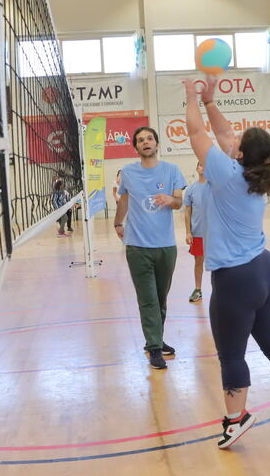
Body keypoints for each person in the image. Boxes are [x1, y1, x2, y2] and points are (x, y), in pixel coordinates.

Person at [183, 76, 270, 449]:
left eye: (238, 143)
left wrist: (191, 98)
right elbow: (225, 135)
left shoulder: (226, 175)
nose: (232, 140)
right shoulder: (251, 173)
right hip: (264, 268)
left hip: (236, 279)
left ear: (241, 154)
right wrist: (211, 101)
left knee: (231, 353)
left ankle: (236, 419)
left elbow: (197, 134)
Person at [112, 127, 186, 369]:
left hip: (165, 246)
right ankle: (154, 348)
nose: (146, 142)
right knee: (148, 299)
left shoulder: (172, 170)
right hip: (137, 246)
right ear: (136, 147)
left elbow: (178, 202)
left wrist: (170, 200)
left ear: (156, 143)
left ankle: (157, 339)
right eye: (141, 140)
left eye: (149, 138)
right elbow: (124, 199)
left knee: (161, 298)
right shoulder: (129, 173)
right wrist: (117, 222)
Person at [184, 162, 208, 303]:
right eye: (200, 165)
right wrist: (188, 232)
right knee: (198, 261)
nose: (203, 167)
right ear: (197, 168)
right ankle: (198, 289)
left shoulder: (214, 187)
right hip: (198, 232)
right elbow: (187, 212)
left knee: (219, 261)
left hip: (215, 233)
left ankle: (220, 289)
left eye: (206, 165)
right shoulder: (191, 189)